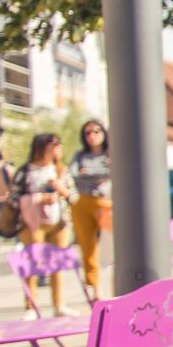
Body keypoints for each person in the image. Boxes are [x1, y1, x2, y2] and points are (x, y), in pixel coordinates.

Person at [16, 132, 76, 317]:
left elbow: (74, 197)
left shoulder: (61, 170)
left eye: (59, 144)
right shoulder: (26, 171)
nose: (58, 148)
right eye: (54, 144)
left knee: (57, 265)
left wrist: (61, 190)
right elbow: (13, 198)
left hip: (58, 223)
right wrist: (38, 198)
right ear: (41, 147)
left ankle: (59, 305)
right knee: (32, 264)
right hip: (31, 224)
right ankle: (30, 306)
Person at [70, 120, 112, 298]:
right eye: (87, 133)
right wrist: (98, 175)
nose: (92, 136)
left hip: (105, 204)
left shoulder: (111, 153)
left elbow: (114, 172)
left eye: (96, 131)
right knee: (88, 248)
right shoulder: (80, 156)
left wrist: (89, 174)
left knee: (110, 247)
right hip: (83, 203)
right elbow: (73, 175)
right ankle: (96, 290)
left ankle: (116, 285)